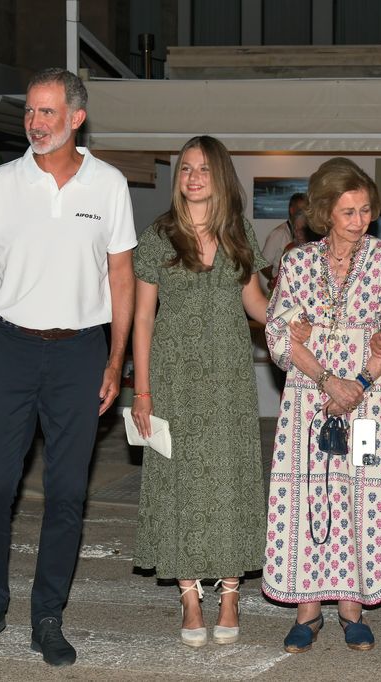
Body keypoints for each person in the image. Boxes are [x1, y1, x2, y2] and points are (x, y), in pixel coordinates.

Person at [0, 67, 136, 667]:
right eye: (29, 111)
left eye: (47, 112)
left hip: (78, 352)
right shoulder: (1, 184)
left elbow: (120, 276)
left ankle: (48, 615)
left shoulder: (108, 186)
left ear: (76, 118)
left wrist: (116, 360)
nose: (34, 123)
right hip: (9, 349)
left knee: (67, 492)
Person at [263, 157, 381, 654]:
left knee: (363, 494)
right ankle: (307, 612)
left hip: (368, 404)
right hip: (310, 399)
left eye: (364, 210)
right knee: (309, 495)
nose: (359, 220)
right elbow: (281, 335)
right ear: (325, 212)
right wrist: (329, 380)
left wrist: (358, 381)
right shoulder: (297, 262)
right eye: (348, 211)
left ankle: (352, 607)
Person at [130, 135, 269, 647]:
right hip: (173, 377)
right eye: (186, 168)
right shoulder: (158, 237)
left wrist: (300, 318)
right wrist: (141, 392)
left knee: (230, 478)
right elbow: (143, 318)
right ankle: (189, 594)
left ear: (221, 178)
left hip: (229, 377)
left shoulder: (239, 235)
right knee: (179, 480)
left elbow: (258, 304)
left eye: (204, 169)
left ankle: (230, 591)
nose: (192, 177)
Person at [261, 192, 307, 292]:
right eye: (300, 210)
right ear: (291, 210)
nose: (303, 213)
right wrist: (274, 280)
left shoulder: (310, 233)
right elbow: (262, 263)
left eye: (306, 209)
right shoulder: (279, 233)